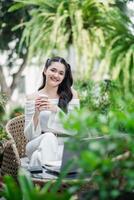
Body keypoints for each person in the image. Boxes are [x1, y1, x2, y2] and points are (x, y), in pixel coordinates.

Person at [24, 56, 80, 167]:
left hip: (64, 145)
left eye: (60, 73)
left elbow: (75, 129)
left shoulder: (71, 95)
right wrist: (37, 113)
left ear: (64, 77)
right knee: (49, 137)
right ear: (45, 71)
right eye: (53, 70)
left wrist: (55, 109)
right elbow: (29, 136)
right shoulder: (33, 97)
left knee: (37, 157)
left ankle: (42, 177)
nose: (56, 75)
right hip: (37, 143)